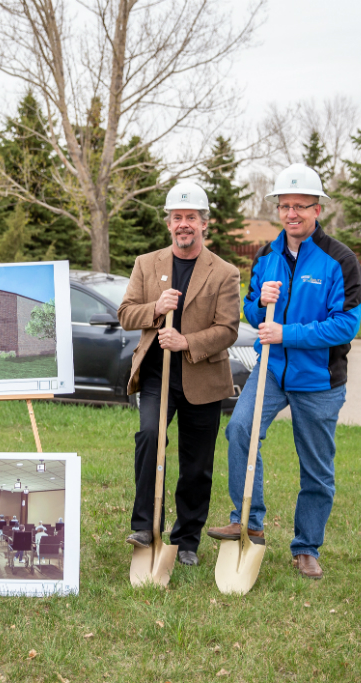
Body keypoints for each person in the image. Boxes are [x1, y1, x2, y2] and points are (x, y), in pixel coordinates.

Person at [207, 164, 361, 580]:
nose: (292, 213)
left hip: (319, 380)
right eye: (285, 206)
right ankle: (248, 521)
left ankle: (306, 547)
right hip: (272, 371)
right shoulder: (266, 256)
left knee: (316, 467)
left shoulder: (340, 261)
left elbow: (345, 325)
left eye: (301, 206)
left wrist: (286, 333)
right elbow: (252, 311)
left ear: (317, 210)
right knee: (240, 430)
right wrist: (261, 302)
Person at [118, 181, 240, 567]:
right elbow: (126, 314)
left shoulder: (224, 272)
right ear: (168, 223)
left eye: (191, 217)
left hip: (203, 378)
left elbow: (228, 329)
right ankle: (144, 525)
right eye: (177, 217)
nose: (183, 223)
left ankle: (187, 539)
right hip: (158, 374)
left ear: (204, 223)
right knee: (150, 437)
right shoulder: (146, 264)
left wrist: (186, 341)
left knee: (196, 463)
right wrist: (156, 307)